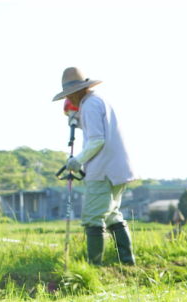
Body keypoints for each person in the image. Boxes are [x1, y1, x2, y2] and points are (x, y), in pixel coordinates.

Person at [52, 67, 137, 266]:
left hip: (103, 170)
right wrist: (78, 121)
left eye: (68, 96)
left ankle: (94, 268)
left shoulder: (89, 105)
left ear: (76, 92)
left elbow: (97, 140)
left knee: (92, 218)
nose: (69, 100)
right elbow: (99, 131)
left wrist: (77, 161)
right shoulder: (98, 101)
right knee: (113, 215)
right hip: (117, 168)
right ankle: (127, 264)